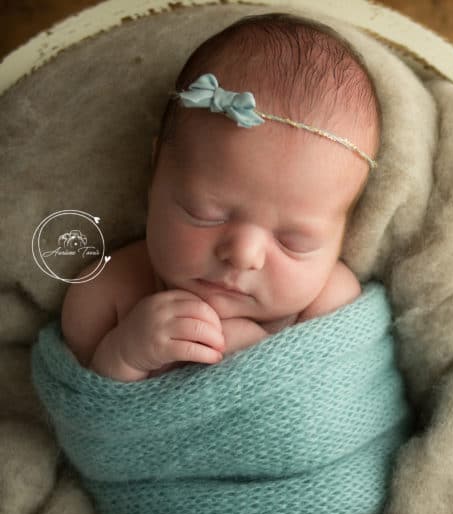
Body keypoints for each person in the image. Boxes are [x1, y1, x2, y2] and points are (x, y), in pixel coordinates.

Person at [59, 13, 380, 382]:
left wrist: (263, 363)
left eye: (294, 241)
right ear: (156, 172)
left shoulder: (330, 306)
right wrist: (125, 355)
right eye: (205, 213)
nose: (243, 255)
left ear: (341, 233)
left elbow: (343, 408)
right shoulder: (108, 294)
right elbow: (87, 416)